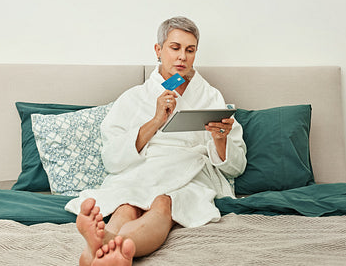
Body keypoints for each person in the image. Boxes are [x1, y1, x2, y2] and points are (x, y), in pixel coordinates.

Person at [66, 16, 247, 266]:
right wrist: (155, 120)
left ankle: (100, 249)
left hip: (187, 174)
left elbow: (237, 166)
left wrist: (220, 140)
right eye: (175, 48)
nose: (182, 56)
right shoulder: (134, 98)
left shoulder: (211, 97)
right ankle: (108, 247)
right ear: (158, 50)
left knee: (163, 203)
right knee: (127, 206)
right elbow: (111, 158)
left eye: (190, 50)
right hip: (142, 171)